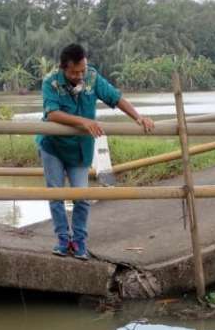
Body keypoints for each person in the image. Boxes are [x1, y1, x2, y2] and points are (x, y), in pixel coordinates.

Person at [36, 43, 155, 260]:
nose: (80, 75)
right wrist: (84, 121)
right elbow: (51, 113)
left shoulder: (92, 77)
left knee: (82, 196)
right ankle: (63, 239)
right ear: (64, 68)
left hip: (81, 148)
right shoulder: (50, 82)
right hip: (53, 146)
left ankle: (79, 240)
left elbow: (115, 97)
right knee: (56, 194)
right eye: (74, 72)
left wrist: (138, 117)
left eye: (82, 69)